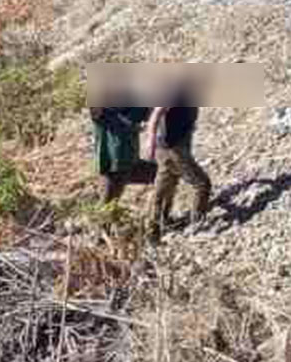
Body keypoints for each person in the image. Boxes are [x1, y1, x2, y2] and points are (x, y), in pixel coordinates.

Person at [148, 83, 211, 242]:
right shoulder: (176, 90)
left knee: (164, 187)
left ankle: (154, 229)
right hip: (173, 148)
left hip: (168, 147)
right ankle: (197, 224)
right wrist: (150, 142)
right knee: (202, 184)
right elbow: (156, 114)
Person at [90, 100, 153, 203]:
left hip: (129, 160)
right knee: (108, 205)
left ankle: (157, 215)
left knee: (162, 175)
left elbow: (148, 113)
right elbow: (95, 112)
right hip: (113, 163)